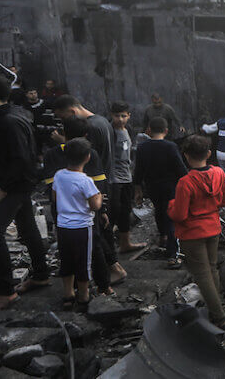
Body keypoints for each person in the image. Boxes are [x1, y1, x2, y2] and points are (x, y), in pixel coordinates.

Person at [0, 74, 51, 309]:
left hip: (16, 186)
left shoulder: (9, 121)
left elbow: (21, 160)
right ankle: (41, 274)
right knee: (28, 228)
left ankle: (6, 290)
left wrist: (4, 189)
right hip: (18, 184)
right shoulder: (6, 116)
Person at [43, 117, 117, 292]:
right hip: (86, 217)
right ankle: (102, 286)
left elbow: (52, 192)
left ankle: (71, 291)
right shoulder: (89, 157)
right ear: (85, 135)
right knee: (93, 248)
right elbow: (99, 188)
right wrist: (103, 209)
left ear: (63, 133)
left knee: (67, 252)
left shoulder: (53, 157)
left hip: (62, 216)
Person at [168, 135, 225, 327]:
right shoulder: (219, 173)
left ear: (186, 156)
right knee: (212, 268)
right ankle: (216, 305)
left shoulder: (186, 182)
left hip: (193, 233)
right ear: (209, 154)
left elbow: (179, 215)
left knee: (202, 274)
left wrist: (171, 205)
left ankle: (219, 316)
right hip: (213, 228)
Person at [52, 138, 105, 311]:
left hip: (63, 226)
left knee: (66, 260)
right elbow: (94, 206)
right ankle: (83, 296)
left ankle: (68, 295)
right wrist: (99, 197)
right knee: (83, 262)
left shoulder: (59, 175)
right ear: (88, 157)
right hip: (82, 227)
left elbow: (55, 197)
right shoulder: (85, 180)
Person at [133, 117, 188, 268]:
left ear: (149, 130)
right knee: (171, 216)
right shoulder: (171, 146)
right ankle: (173, 253)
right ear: (166, 131)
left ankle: (163, 236)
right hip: (170, 187)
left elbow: (138, 171)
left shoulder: (142, 147)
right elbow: (181, 169)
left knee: (159, 210)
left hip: (152, 187)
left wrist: (138, 189)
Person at [109, 101, 145, 252]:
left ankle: (125, 243)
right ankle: (108, 248)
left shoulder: (128, 129)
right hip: (113, 178)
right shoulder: (109, 131)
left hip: (126, 176)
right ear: (111, 115)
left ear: (129, 116)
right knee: (113, 211)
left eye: (123, 116)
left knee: (125, 210)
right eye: (117, 116)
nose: (120, 119)